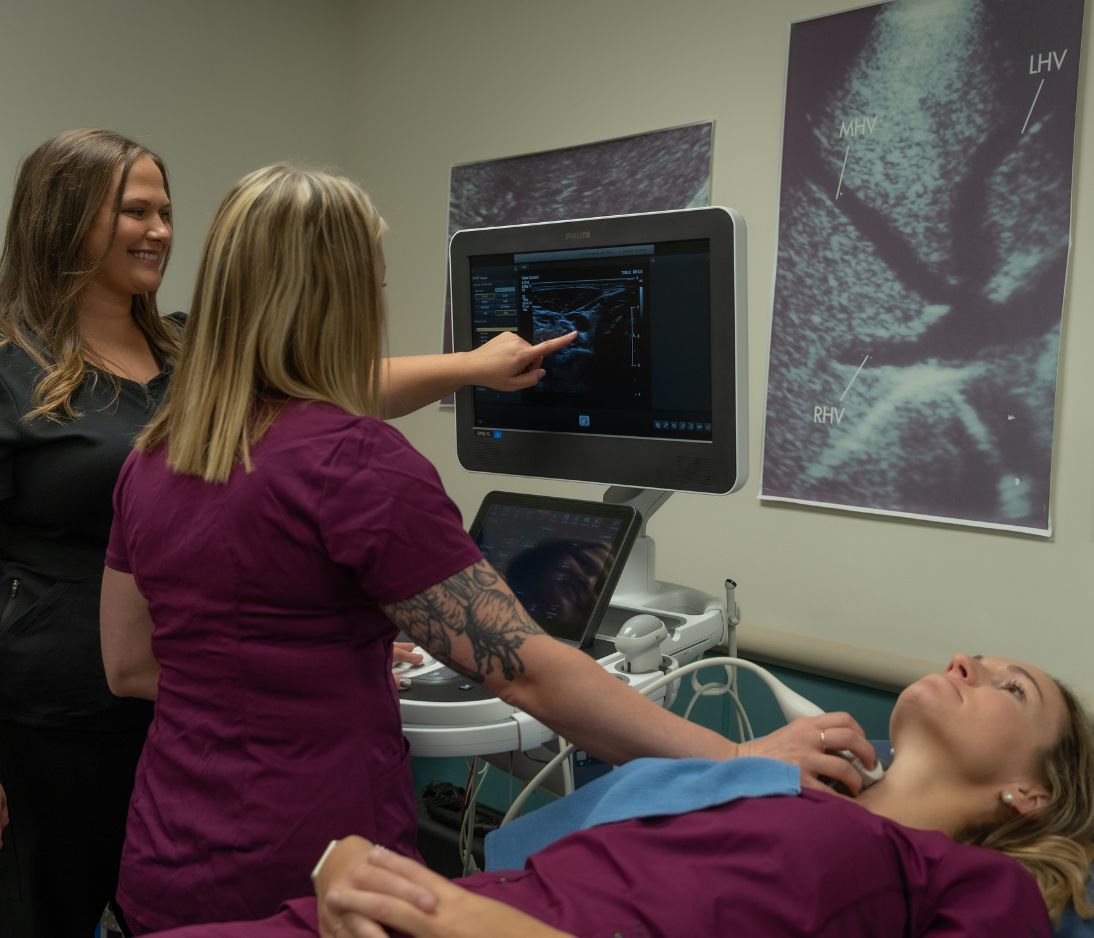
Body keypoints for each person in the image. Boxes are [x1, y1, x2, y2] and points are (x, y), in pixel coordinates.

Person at [98, 163, 876, 934]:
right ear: (345, 296)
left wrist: (309, 656)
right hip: (312, 880)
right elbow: (532, 674)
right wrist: (741, 759)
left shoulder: (155, 458)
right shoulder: (355, 463)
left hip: (164, 863)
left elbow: (131, 665)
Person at [0, 128, 576, 938]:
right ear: (62, 220)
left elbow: (320, 394)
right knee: (53, 906)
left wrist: (473, 367)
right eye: (134, 211)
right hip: (61, 711)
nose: (160, 230)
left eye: (166, 211)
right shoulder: (10, 370)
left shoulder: (184, 346)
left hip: (187, 701)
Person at [141, 652, 1094, 938]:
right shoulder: (775, 789)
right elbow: (529, 854)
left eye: (1013, 688)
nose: (969, 660)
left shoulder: (971, 887)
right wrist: (744, 763)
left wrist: (437, 914)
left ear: (1029, 792)